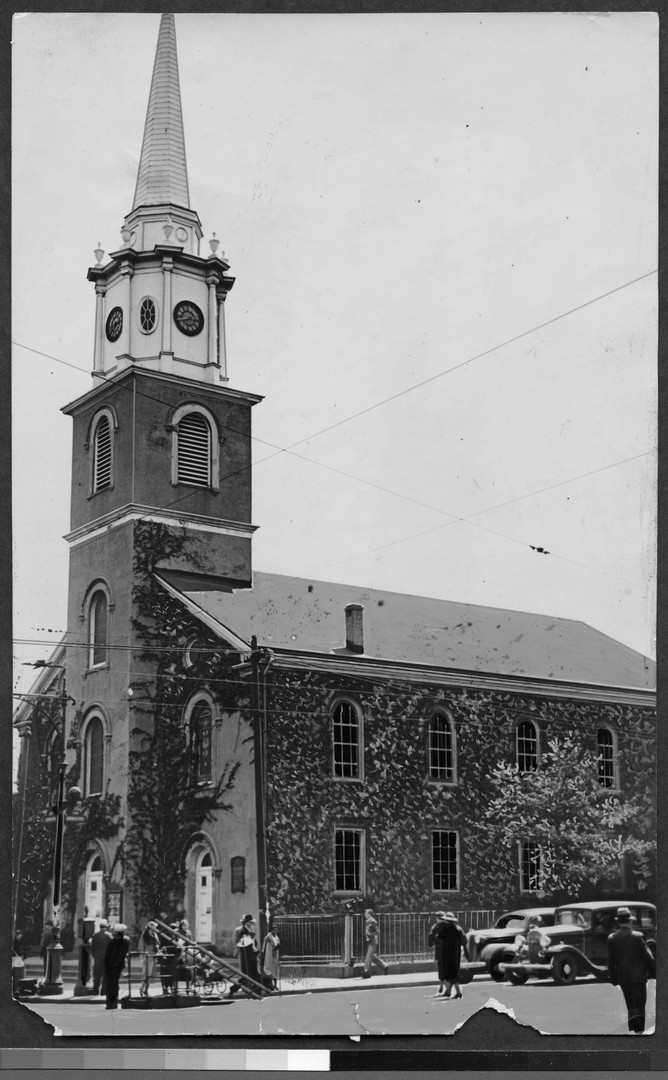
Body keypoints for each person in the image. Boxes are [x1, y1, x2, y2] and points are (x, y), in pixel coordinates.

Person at [607, 907, 655, 1034]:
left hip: (624, 979)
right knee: (640, 1004)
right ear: (629, 921)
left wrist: (613, 979)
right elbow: (648, 957)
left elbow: (611, 962)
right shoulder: (638, 937)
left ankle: (633, 1030)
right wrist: (653, 974)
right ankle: (639, 1031)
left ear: (619, 922)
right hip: (639, 978)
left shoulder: (612, 938)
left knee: (631, 1005)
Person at [428, 911, 469, 998]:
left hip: (447, 954)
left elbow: (438, 938)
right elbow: (464, 941)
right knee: (453, 972)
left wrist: (433, 942)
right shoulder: (458, 929)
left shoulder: (444, 930)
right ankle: (449, 991)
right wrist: (466, 951)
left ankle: (457, 992)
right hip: (456, 955)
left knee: (450, 973)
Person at [103, 923, 130, 1010]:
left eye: (116, 934)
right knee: (109, 984)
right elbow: (107, 953)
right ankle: (109, 1002)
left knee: (114, 984)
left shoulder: (125, 941)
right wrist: (106, 964)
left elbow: (121, 955)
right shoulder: (113, 941)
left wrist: (115, 965)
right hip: (109, 966)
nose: (114, 936)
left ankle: (113, 1002)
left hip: (116, 966)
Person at [361, 908, 388, 978]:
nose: (364, 914)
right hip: (369, 941)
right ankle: (384, 966)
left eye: (366, 913)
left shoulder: (373, 921)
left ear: (369, 914)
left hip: (372, 942)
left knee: (368, 957)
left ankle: (367, 973)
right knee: (372, 957)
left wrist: (369, 934)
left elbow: (378, 932)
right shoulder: (367, 921)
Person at [138, 921, 161, 997]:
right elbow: (141, 945)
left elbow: (158, 943)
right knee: (146, 973)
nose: (154, 929)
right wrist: (142, 955)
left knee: (150, 974)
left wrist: (157, 949)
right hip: (147, 955)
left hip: (153, 955)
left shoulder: (155, 935)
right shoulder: (144, 934)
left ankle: (146, 989)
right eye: (153, 927)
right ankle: (142, 987)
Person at [90, 919, 112, 995]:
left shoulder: (95, 936)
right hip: (106, 958)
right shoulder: (109, 935)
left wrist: (96, 956)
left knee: (97, 975)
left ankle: (95, 991)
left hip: (97, 957)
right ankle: (104, 991)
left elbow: (92, 949)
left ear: (99, 927)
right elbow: (111, 948)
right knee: (105, 975)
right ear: (106, 927)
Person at [261, 924, 281, 990]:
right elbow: (264, 947)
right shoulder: (268, 937)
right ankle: (270, 985)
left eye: (276, 930)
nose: (275, 931)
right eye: (274, 930)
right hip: (269, 955)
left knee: (275, 969)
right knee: (270, 969)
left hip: (275, 955)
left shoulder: (277, 938)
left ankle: (275, 985)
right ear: (271, 930)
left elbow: (278, 945)